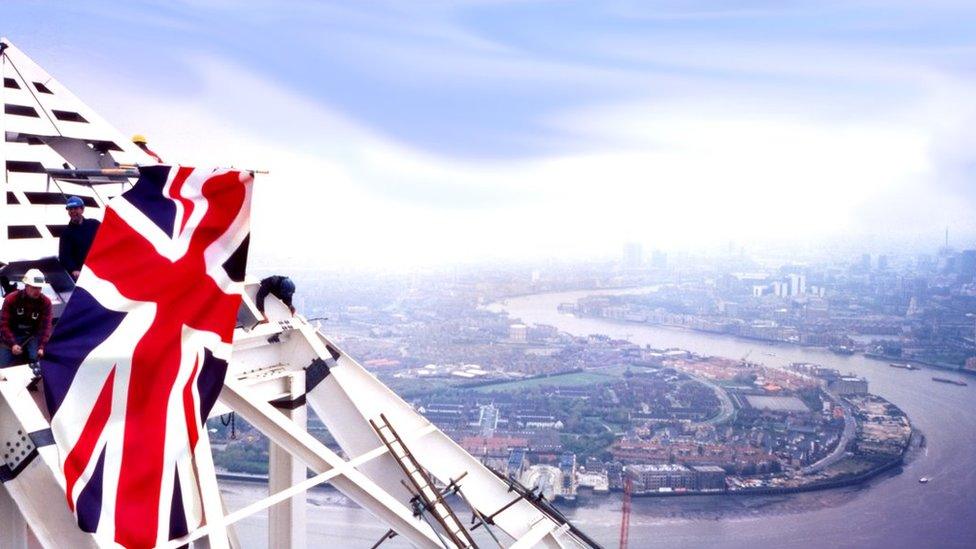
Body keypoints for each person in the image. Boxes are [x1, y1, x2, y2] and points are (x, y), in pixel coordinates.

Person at [0, 269, 53, 367]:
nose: (37, 291)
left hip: (32, 336)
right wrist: (13, 344)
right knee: (2, 365)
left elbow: (46, 327)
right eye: (34, 287)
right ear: (26, 286)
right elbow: (3, 324)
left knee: (35, 359)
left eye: (39, 288)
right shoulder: (11, 299)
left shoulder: (46, 302)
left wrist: (42, 347)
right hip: (11, 334)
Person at [59, 195, 101, 280]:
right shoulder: (66, 233)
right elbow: (64, 256)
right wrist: (73, 269)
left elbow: (107, 239)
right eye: (70, 209)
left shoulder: (94, 224)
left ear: (82, 209)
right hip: (81, 274)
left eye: (75, 208)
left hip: (98, 268)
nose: (73, 211)